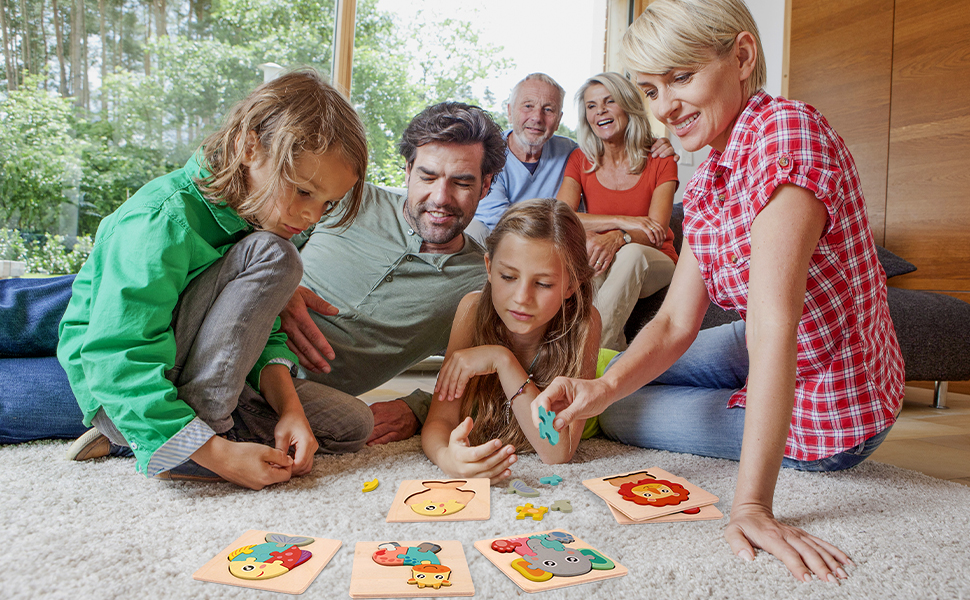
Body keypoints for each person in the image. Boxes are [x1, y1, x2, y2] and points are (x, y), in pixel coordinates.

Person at [534, 0, 904, 583]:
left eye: (682, 77)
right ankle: (583, 377)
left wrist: (752, 507)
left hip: (833, 402)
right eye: (651, 90)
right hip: (781, 344)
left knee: (624, 416)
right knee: (613, 389)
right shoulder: (709, 175)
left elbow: (773, 326)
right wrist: (600, 385)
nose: (666, 107)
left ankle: (603, 390)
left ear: (742, 56)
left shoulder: (788, 137)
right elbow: (675, 323)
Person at [56, 70, 372, 490]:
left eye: (326, 202)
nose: (312, 216)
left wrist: (291, 409)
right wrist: (219, 455)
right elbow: (117, 355)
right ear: (247, 146)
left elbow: (259, 331)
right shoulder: (159, 219)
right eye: (302, 191)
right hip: (126, 386)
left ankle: (161, 440)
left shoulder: (257, 215)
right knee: (277, 257)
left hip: (207, 379)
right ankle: (194, 441)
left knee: (353, 423)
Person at [278, 101, 507, 445]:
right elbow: (261, 243)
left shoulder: (481, 281)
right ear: (408, 170)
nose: (440, 198)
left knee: (355, 424)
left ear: (486, 186)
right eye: (428, 177)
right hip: (252, 332)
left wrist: (418, 409)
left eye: (461, 182)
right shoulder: (347, 197)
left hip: (301, 394)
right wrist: (278, 291)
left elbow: (501, 381)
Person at [422, 198, 600, 481]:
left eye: (542, 284)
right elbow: (440, 419)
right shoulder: (471, 311)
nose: (521, 298)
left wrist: (502, 360)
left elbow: (556, 452)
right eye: (508, 276)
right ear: (489, 268)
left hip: (606, 373)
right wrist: (447, 457)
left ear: (571, 286)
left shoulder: (584, 322)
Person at [466, 73, 675, 244]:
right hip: (506, 238)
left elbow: (611, 144)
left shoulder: (571, 152)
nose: (537, 117)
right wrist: (623, 222)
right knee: (474, 229)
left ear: (558, 120)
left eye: (548, 109)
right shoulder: (487, 155)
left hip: (553, 243)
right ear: (510, 112)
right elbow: (502, 221)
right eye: (528, 106)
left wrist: (655, 144)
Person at [557, 72, 679, 350]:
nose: (599, 111)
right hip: (604, 254)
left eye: (609, 101)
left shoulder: (660, 158)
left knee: (631, 254)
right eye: (591, 105)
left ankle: (586, 355)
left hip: (655, 259)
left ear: (627, 105)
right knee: (589, 259)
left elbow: (656, 231)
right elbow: (561, 216)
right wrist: (619, 222)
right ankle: (612, 354)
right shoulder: (581, 159)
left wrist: (619, 237)